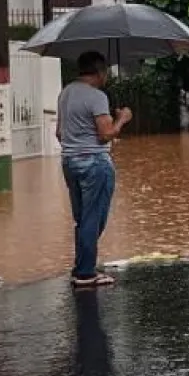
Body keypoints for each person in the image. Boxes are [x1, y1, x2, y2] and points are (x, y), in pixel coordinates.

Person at [56, 51, 132, 288]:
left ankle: (81, 267)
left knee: (82, 219)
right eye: (106, 72)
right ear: (100, 72)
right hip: (95, 163)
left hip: (70, 161)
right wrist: (122, 119)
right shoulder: (97, 97)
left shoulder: (65, 93)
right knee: (93, 219)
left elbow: (59, 133)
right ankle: (86, 273)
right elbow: (105, 135)